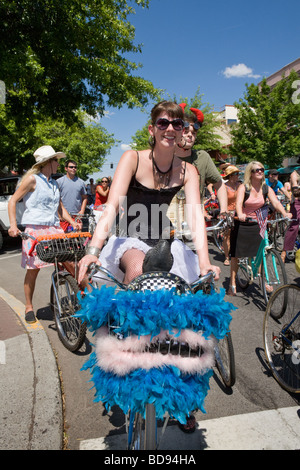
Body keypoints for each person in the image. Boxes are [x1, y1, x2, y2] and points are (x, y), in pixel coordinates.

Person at [78, 100, 220, 286]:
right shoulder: (132, 158)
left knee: (185, 288)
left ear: (181, 131)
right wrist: (92, 252)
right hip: (129, 238)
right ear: (152, 130)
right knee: (139, 273)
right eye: (163, 123)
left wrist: (204, 262)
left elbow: (195, 218)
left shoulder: (189, 171)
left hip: (165, 241)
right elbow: (112, 207)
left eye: (177, 124)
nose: (170, 129)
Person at [7, 145, 80, 323]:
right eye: (57, 160)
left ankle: (84, 295)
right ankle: (29, 306)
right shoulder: (32, 180)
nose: (59, 163)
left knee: (70, 262)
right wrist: (13, 226)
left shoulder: (54, 183)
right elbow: (13, 200)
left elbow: (60, 209)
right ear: (48, 162)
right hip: (36, 229)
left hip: (54, 229)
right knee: (33, 270)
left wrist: (72, 222)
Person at [227, 161, 291, 296]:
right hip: (242, 223)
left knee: (261, 253)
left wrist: (285, 213)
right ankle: (232, 283)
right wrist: (240, 214)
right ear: (250, 173)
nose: (261, 172)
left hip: (258, 223)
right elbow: (238, 204)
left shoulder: (265, 187)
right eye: (257, 170)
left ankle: (264, 280)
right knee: (236, 255)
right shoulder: (244, 187)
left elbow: (275, 202)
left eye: (262, 169)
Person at [175, 103, 228, 214]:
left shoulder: (202, 157)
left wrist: (224, 211)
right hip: (170, 220)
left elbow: (219, 184)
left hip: (195, 221)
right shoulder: (164, 156)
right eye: (185, 131)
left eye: (193, 133)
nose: (190, 135)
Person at [57, 159, 88, 231]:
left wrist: (82, 211)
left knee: (76, 239)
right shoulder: (59, 182)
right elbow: (57, 200)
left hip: (76, 216)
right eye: (71, 167)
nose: (73, 169)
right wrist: (59, 213)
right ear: (66, 168)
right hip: (63, 216)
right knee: (63, 240)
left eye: (75, 167)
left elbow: (85, 198)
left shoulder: (81, 182)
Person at [222, 165, 241, 266]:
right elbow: (222, 202)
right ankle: (226, 257)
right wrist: (225, 212)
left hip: (239, 212)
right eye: (235, 174)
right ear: (229, 175)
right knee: (227, 236)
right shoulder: (224, 187)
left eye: (238, 173)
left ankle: (238, 254)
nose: (237, 175)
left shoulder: (240, 185)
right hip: (228, 212)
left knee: (240, 234)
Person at [281, 169, 300, 263]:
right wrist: (295, 189)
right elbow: (294, 187)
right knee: (294, 226)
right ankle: (284, 251)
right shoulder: (295, 174)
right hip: (297, 202)